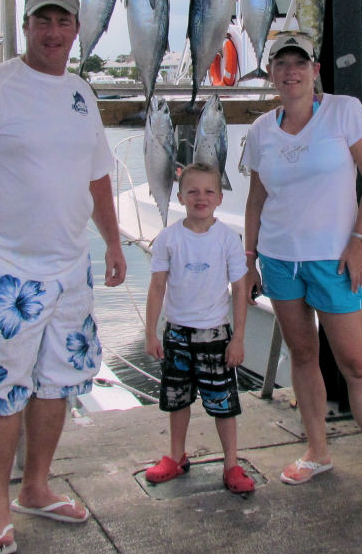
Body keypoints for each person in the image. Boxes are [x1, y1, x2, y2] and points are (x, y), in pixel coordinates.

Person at [0, 0, 127, 553]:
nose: (53, 32)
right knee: (0, 390)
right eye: (43, 21)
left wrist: (112, 244)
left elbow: (97, 177)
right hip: (5, 271)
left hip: (72, 268)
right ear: (27, 28)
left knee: (57, 383)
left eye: (63, 22)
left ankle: (36, 487)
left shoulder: (82, 94)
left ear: (76, 30)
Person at [242, 32, 362, 510]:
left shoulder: (344, 111)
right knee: (302, 355)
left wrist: (356, 242)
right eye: (281, 64)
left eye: (299, 63)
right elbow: (255, 199)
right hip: (280, 259)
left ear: (316, 68)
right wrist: (248, 261)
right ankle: (317, 450)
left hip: (333, 259)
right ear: (271, 74)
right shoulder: (261, 130)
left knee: (357, 365)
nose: (291, 72)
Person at [144, 162, 254, 494]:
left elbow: (239, 289)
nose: (200, 198)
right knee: (177, 399)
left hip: (216, 335)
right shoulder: (168, 238)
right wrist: (151, 331)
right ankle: (176, 456)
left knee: (224, 402)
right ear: (180, 197)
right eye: (192, 191)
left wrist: (238, 338)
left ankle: (231, 463)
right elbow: (157, 287)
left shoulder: (229, 239)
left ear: (220, 198)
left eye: (208, 191)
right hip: (177, 333)